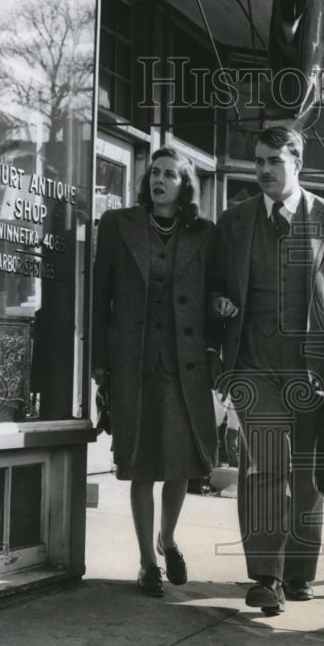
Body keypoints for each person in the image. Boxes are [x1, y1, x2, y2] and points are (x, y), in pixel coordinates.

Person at [210, 126, 324, 616]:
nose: (263, 170)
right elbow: (215, 283)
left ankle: (299, 571)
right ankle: (266, 576)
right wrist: (219, 304)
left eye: (273, 160)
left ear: (297, 161)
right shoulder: (234, 221)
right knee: (263, 467)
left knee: (307, 474)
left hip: (314, 368)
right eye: (258, 161)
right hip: (255, 366)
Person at [91, 147, 222, 597]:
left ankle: (169, 539)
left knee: (180, 466)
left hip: (184, 369)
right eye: (154, 174)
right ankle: (147, 561)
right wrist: (99, 363)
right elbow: (100, 296)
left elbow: (213, 294)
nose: (159, 180)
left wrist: (219, 313)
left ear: (185, 185)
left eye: (169, 175)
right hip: (133, 366)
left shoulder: (204, 234)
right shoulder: (118, 225)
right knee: (141, 465)